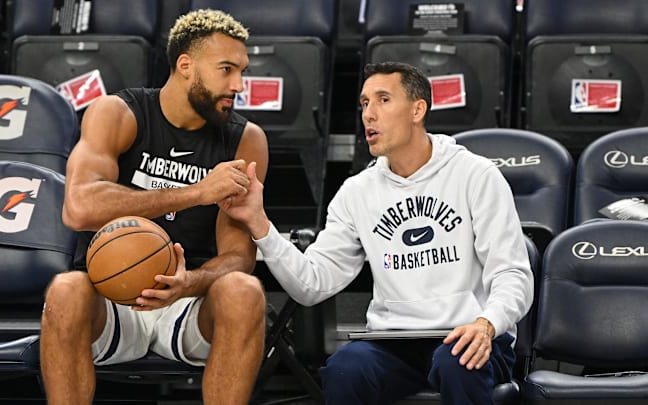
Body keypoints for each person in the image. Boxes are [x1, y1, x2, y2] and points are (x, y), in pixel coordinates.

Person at [219, 61, 534, 404]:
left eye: (383, 100)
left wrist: (488, 323)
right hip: (394, 344)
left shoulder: (475, 175)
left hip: (472, 337)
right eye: (364, 103)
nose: (368, 114)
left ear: (418, 109)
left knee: (458, 360)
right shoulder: (357, 192)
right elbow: (312, 284)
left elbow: (512, 272)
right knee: (345, 368)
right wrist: (259, 223)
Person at [40, 9, 269, 405]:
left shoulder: (245, 140)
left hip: (188, 303)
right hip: (109, 298)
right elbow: (78, 209)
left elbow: (238, 257)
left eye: (242, 72)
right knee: (65, 289)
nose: (238, 85)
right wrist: (196, 192)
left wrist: (188, 283)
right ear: (185, 66)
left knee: (244, 291)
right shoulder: (117, 113)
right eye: (227, 70)